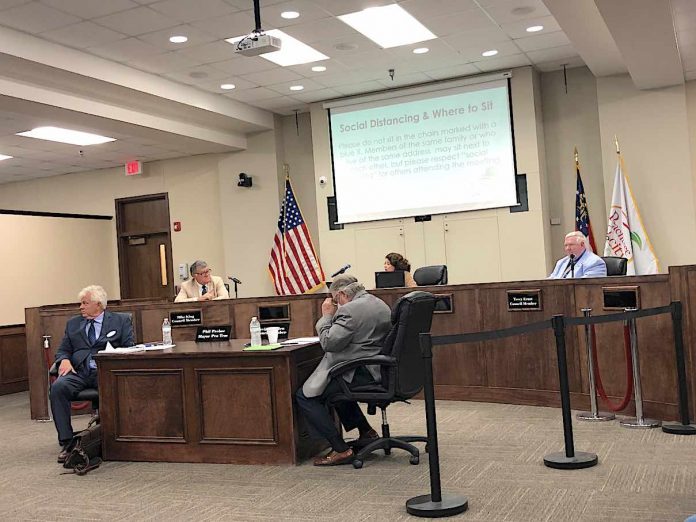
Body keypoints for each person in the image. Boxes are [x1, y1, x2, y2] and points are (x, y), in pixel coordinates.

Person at [296, 274, 391, 466]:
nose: (336, 303)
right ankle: (366, 431)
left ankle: (341, 449)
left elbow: (328, 343)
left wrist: (327, 317)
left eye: (335, 299)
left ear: (341, 294)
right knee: (335, 386)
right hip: (380, 369)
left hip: (361, 371)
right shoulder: (379, 303)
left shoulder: (349, 310)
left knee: (306, 397)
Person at [50, 285, 134, 463]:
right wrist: (63, 360)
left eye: (84, 303)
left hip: (105, 373)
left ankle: (117, 437)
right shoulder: (73, 323)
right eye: (80, 303)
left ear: (98, 304)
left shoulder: (120, 321)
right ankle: (67, 442)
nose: (80, 307)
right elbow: (63, 350)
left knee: (116, 388)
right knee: (58, 388)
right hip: (79, 372)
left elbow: (129, 348)